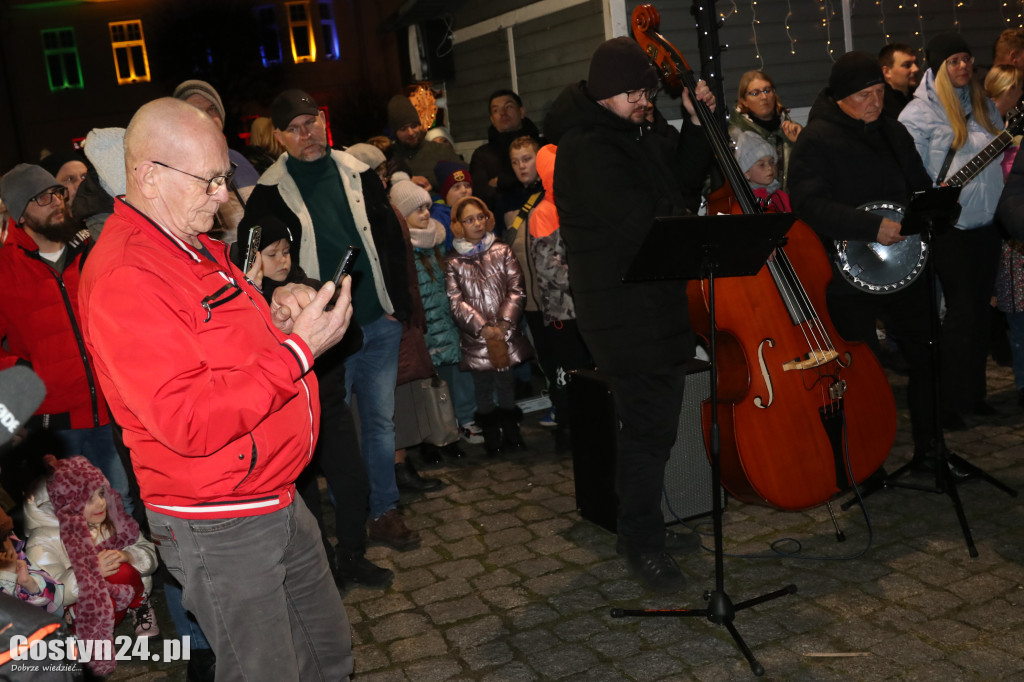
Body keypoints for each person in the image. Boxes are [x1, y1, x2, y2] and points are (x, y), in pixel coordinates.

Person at [78, 97, 354, 679]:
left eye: (223, 179)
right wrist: (301, 349)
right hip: (219, 516)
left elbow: (222, 343)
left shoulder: (192, 243)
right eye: (209, 181)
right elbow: (190, 418)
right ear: (148, 176)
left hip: (273, 490)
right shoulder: (128, 274)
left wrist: (276, 313)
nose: (224, 196)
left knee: (328, 655)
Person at [543, 36, 714, 592]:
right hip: (621, 310)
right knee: (647, 429)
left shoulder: (637, 130)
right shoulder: (588, 147)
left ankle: (645, 527)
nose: (648, 99)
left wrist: (694, 124)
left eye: (649, 90)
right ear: (608, 94)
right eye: (637, 92)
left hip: (655, 301)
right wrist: (687, 219)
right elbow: (646, 222)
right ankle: (641, 541)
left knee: (655, 427)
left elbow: (684, 183)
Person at [238, 88, 419, 551]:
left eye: (312, 123)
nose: (307, 135)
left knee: (380, 423)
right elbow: (256, 266)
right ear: (279, 137)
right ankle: (349, 527)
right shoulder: (268, 192)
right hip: (324, 334)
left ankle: (383, 510)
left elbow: (391, 242)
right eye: (294, 129)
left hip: (376, 317)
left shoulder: (357, 172)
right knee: (332, 430)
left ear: (323, 122)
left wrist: (400, 305)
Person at [789, 51, 960, 478]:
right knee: (860, 372)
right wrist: (869, 226)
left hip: (903, 265)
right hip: (848, 273)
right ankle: (864, 465)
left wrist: (930, 206)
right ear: (842, 98)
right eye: (865, 95)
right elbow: (807, 204)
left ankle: (932, 450)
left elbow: (917, 184)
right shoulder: (817, 139)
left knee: (927, 356)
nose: (875, 102)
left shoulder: (893, 133)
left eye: (880, 92)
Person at [246, 215, 394, 588]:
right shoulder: (249, 303)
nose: (281, 260)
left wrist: (326, 327)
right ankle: (323, 568)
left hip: (328, 406)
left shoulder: (311, 286)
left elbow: (351, 338)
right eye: (271, 254)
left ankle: (351, 555)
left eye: (286, 251)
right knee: (305, 500)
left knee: (353, 482)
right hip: (284, 418)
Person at [0, 164, 133, 513]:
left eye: (57, 193)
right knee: (75, 520)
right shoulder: (5, 271)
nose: (55, 202)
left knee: (122, 507)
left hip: (112, 411)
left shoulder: (89, 250)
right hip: (54, 427)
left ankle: (137, 569)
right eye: (41, 198)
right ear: (20, 214)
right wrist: (25, 371)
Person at [900, 34, 1004, 427]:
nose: (962, 66)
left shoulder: (983, 105)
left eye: (966, 59)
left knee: (980, 313)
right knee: (960, 313)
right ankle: (949, 400)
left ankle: (974, 394)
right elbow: (911, 171)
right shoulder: (919, 113)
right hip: (951, 228)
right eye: (953, 60)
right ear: (938, 67)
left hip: (987, 225)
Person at [25, 457, 157, 676]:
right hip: (74, 610)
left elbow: (148, 552)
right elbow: (47, 592)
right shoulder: (43, 539)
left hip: (120, 595)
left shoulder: (112, 521)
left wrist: (127, 555)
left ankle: (140, 605)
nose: (101, 504)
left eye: (101, 494)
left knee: (121, 569)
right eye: (88, 500)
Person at [390, 178, 478, 458]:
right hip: (425, 330)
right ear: (403, 216)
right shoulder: (402, 248)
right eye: (418, 210)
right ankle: (432, 438)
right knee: (428, 388)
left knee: (455, 381)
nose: (426, 214)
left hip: (447, 324)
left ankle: (456, 429)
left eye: (427, 207)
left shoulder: (438, 240)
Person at [445, 196, 533, 456]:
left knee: (506, 382)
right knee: (482, 386)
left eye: (480, 217)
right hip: (477, 338)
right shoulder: (454, 262)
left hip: (504, 333)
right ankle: (492, 436)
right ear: (459, 226)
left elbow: (516, 288)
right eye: (469, 220)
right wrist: (482, 328)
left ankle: (512, 432)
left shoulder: (502, 250)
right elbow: (456, 301)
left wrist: (505, 322)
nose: (477, 224)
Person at [173, 79, 260, 245]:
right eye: (195, 111)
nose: (207, 117)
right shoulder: (177, 174)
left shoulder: (240, 162)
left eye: (212, 109)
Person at [470, 89, 546, 213]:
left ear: (521, 112)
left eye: (509, 107)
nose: (503, 113)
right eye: (496, 110)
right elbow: (482, 199)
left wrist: (502, 181)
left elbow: (553, 183)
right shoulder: (482, 155)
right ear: (492, 119)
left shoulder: (543, 146)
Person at [728, 70, 802, 190]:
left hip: (791, 205)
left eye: (767, 90)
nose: (764, 97)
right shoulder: (734, 137)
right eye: (755, 93)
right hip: (751, 206)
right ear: (744, 101)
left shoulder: (792, 131)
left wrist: (800, 142)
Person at [386, 94, 461, 190]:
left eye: (414, 126)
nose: (411, 133)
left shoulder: (440, 150)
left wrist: (431, 183)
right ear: (395, 132)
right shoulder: (389, 156)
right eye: (403, 129)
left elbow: (462, 174)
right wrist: (406, 181)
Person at [0, 506, 63, 617]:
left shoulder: (13, 548)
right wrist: (7, 580)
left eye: (6, 536)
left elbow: (57, 610)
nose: (7, 547)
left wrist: (31, 585)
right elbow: (11, 626)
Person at [733, 130, 791, 212]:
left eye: (772, 162)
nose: (769, 168)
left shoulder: (780, 196)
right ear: (746, 172)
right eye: (761, 165)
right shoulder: (747, 200)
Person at [879, 43, 921, 118]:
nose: (916, 69)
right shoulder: (879, 107)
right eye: (907, 65)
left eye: (916, 63)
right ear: (887, 72)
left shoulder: (920, 96)